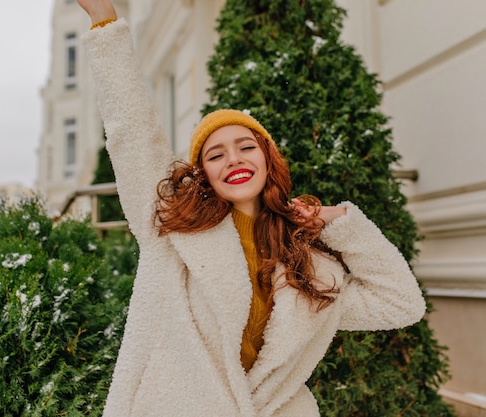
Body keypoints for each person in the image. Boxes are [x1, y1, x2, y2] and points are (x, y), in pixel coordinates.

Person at [77, 1, 426, 416]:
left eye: (246, 147)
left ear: (267, 160)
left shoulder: (310, 268)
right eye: (216, 154)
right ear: (203, 174)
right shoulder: (171, 233)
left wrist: (340, 223)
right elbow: (131, 132)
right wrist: (105, 21)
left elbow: (402, 304)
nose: (235, 160)